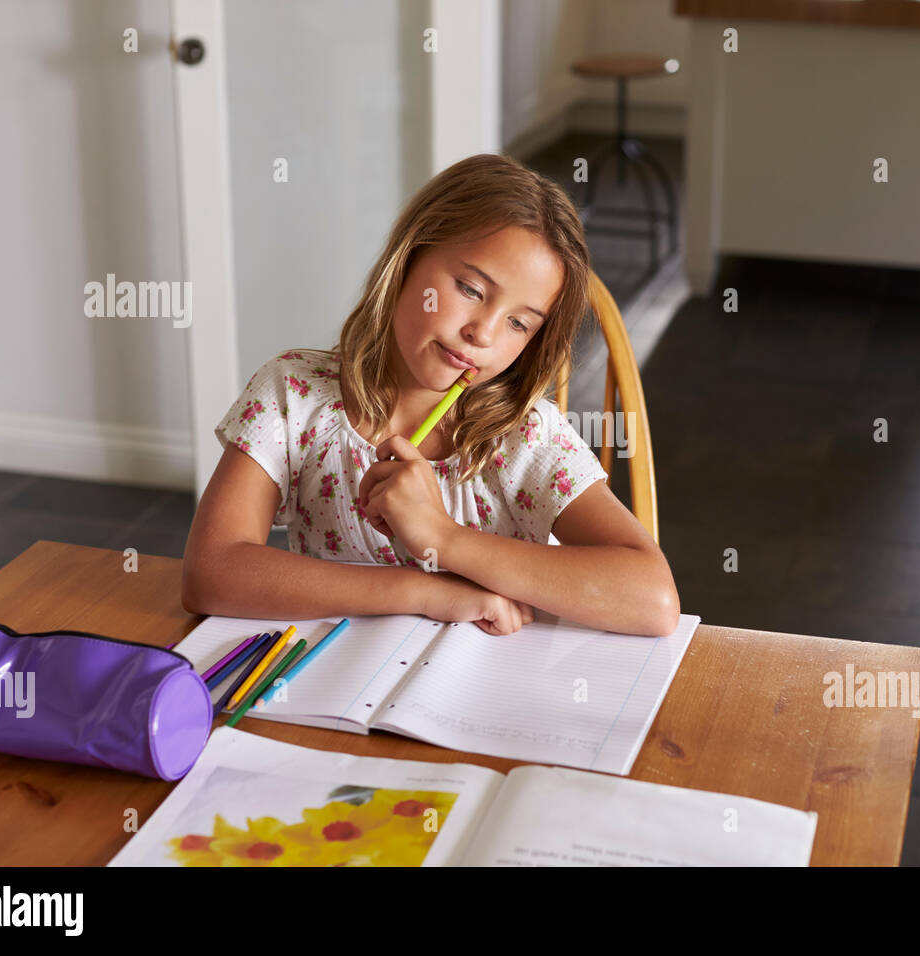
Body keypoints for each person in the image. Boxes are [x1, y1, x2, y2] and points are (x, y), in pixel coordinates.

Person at [182, 153, 679, 637]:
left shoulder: (525, 437)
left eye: (518, 323)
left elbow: (653, 601)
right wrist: (424, 590)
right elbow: (210, 573)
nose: (482, 333)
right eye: (469, 288)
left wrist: (443, 537)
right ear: (409, 256)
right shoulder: (292, 395)